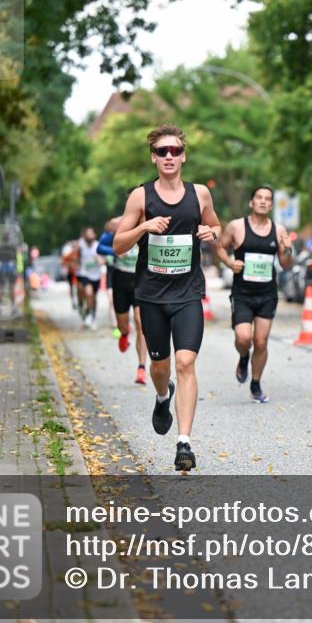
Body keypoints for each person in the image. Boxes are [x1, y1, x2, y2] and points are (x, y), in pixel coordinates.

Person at [113, 123, 221, 471]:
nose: (169, 156)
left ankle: (184, 443)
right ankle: (163, 395)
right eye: (163, 151)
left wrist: (210, 232)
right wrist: (144, 226)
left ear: (184, 156)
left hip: (188, 292)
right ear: (154, 158)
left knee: (186, 362)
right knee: (160, 367)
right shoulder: (141, 197)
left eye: (175, 150)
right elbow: (118, 244)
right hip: (152, 296)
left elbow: (216, 228)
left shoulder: (200, 194)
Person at [216, 186, 294, 404]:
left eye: (268, 199)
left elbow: (286, 265)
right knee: (243, 338)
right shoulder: (237, 227)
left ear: (271, 205)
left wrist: (288, 249)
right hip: (242, 293)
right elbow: (220, 247)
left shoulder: (278, 230)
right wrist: (230, 263)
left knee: (261, 341)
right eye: (259, 198)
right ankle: (243, 357)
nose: (263, 201)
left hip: (267, 293)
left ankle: (256, 383)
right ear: (251, 202)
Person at [99, 213, 149, 384]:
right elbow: (100, 247)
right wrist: (114, 251)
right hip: (120, 279)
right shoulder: (117, 223)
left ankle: (141, 368)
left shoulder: (149, 221)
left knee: (141, 322)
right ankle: (124, 333)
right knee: (122, 323)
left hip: (140, 279)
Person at [75, 227, 103, 328]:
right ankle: (83, 307)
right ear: (85, 236)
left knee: (93, 297)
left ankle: (91, 314)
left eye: (91, 234)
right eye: (87, 234)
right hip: (84, 273)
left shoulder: (97, 245)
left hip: (96, 274)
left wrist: (100, 260)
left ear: (94, 235)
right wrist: (76, 264)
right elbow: (77, 256)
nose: (89, 236)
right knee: (88, 293)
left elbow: (103, 259)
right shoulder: (81, 244)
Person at [0, 232, 18, 315]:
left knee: (1, 289)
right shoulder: (12, 247)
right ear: (9, 239)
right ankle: (13, 308)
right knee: (12, 289)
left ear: (2, 239)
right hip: (11, 268)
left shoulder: (0, 248)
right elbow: (15, 259)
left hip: (2, 269)